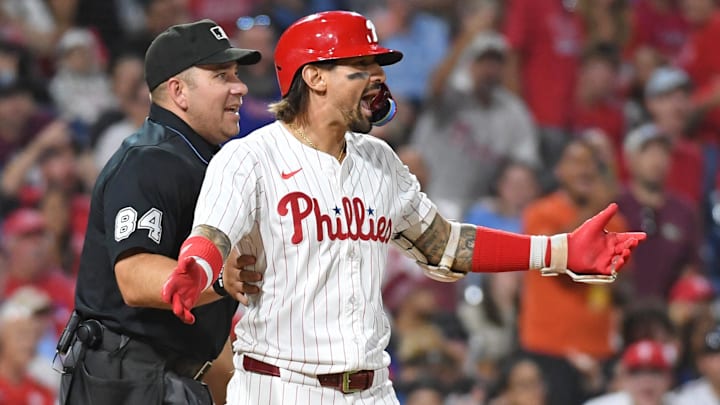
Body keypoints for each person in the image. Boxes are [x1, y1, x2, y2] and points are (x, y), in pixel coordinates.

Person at [160, 11, 646, 404]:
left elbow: (443, 247)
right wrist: (196, 268)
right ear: (314, 78)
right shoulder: (250, 156)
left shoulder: (380, 160)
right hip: (282, 386)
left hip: (373, 387)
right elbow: (214, 234)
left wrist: (559, 251)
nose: (377, 80)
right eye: (361, 69)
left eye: (378, 68)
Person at [57, 19, 262, 405]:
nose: (240, 87)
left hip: (171, 377)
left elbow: (202, 326)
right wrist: (219, 278)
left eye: (236, 74)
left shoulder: (206, 162)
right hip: (125, 377)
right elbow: (134, 278)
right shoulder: (150, 160)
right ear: (178, 91)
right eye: (221, 76)